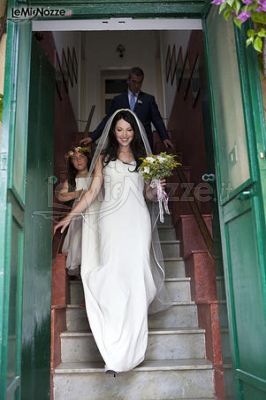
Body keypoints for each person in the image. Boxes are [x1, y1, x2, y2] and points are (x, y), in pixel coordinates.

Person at [54, 109, 170, 373]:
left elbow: (149, 196)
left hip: (137, 221)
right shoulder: (103, 158)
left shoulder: (144, 159)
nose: (124, 134)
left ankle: (132, 349)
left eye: (128, 129)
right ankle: (114, 349)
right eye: (119, 129)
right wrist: (70, 217)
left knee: (136, 281)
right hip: (111, 223)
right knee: (113, 280)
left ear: (136, 131)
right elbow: (93, 191)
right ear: (112, 131)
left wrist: (157, 187)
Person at [81, 67, 174, 151]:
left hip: (143, 144)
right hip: (123, 143)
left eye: (139, 82)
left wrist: (164, 137)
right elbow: (108, 120)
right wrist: (92, 137)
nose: (137, 85)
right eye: (134, 82)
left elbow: (157, 119)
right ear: (128, 81)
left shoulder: (148, 99)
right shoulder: (118, 100)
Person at [56, 146, 91, 277]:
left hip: (94, 211)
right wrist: (78, 193)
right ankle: (80, 269)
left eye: (81, 157)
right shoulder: (72, 180)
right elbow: (60, 196)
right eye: (74, 159)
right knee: (78, 238)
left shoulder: (96, 175)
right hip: (78, 214)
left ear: (88, 158)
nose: (78, 161)